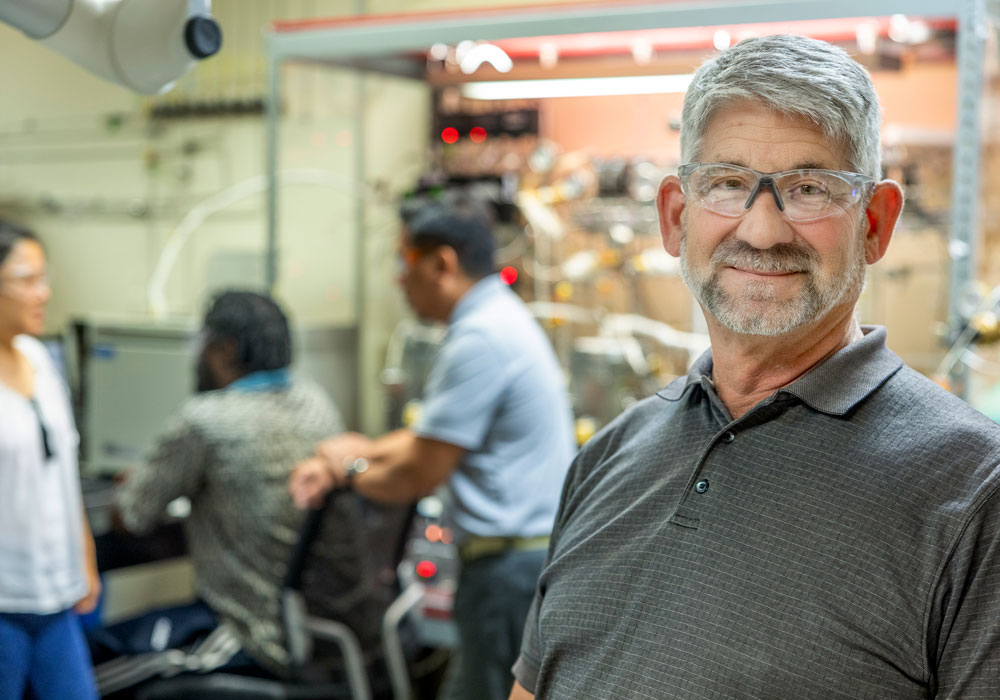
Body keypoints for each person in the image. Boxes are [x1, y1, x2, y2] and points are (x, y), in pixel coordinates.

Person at [509, 34, 1000, 700]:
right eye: (729, 184)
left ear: (876, 224)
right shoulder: (607, 457)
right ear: (676, 217)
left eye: (809, 188)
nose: (763, 231)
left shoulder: (975, 491)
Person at [290, 197, 576, 700]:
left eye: (405, 262)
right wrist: (369, 450)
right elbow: (436, 436)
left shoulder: (480, 339)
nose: (399, 279)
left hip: (507, 573)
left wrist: (348, 470)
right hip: (517, 563)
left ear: (441, 263)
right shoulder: (496, 317)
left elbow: (419, 472)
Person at [107, 290, 354, 679]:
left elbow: (132, 516)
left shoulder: (206, 420)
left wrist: (138, 481)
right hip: (317, 634)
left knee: (94, 667)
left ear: (224, 350)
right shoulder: (315, 402)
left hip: (246, 634)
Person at [0, 220, 101, 700]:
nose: (43, 293)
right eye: (27, 280)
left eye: (45, 278)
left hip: (55, 598)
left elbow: (64, 473)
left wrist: (84, 561)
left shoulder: (40, 361)